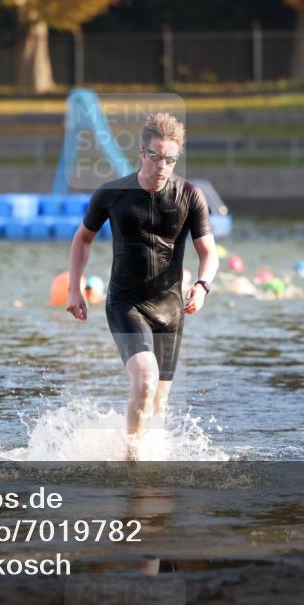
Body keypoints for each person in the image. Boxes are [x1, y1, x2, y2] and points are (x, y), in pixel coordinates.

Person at [66, 113, 219, 459]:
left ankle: (146, 466)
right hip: (126, 303)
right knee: (145, 379)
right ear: (141, 151)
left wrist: (202, 286)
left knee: (158, 406)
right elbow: (83, 238)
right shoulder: (112, 194)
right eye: (155, 156)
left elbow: (209, 253)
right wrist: (75, 288)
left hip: (171, 309)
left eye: (170, 159)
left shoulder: (190, 195)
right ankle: (131, 463)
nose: (162, 166)